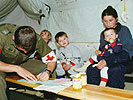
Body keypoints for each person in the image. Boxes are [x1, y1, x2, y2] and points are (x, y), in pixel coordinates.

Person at [0, 23, 57, 100]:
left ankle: (50, 98)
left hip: (21, 62)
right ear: (14, 38)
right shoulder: (3, 36)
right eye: (22, 49)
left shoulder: (37, 39)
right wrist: (16, 69)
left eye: (28, 49)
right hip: (2, 65)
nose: (26, 52)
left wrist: (48, 72)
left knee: (47, 69)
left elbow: (52, 60)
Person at [86, 6, 131, 89]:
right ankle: (95, 94)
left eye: (111, 20)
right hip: (107, 59)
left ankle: (115, 95)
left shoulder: (124, 30)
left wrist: (107, 61)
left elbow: (126, 54)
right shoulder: (103, 34)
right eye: (105, 21)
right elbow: (103, 50)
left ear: (116, 19)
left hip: (122, 61)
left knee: (114, 70)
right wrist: (100, 56)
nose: (108, 24)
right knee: (91, 69)